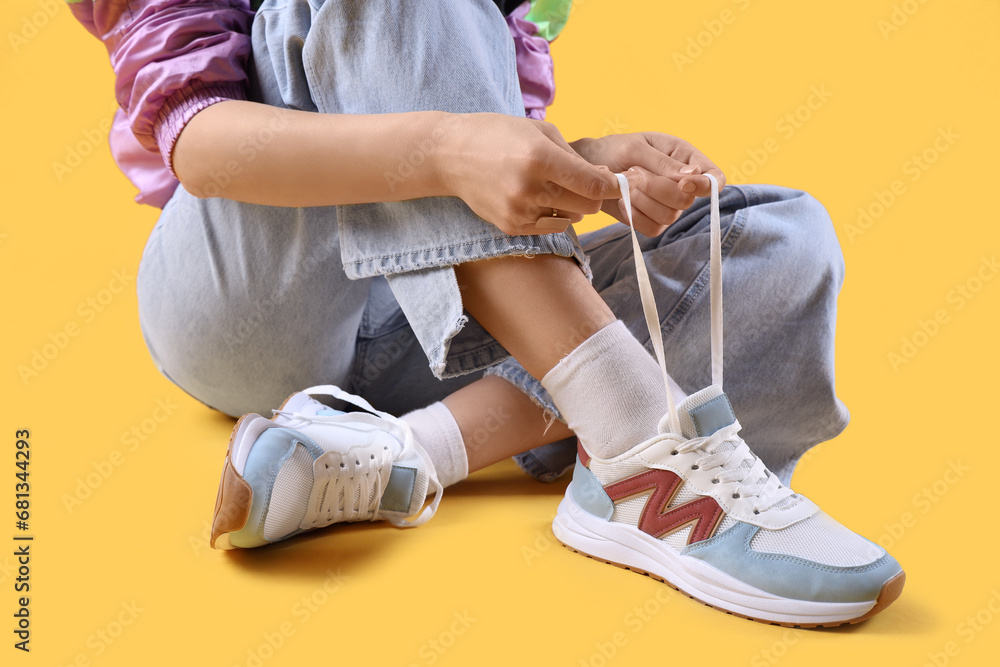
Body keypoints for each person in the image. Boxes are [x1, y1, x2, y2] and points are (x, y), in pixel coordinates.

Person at [69, 0, 904, 627]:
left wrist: (582, 167)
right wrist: (444, 150)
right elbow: (201, 142)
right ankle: (640, 436)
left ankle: (406, 452)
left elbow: (470, 149)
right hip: (250, 302)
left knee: (777, 237)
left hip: (431, 327)